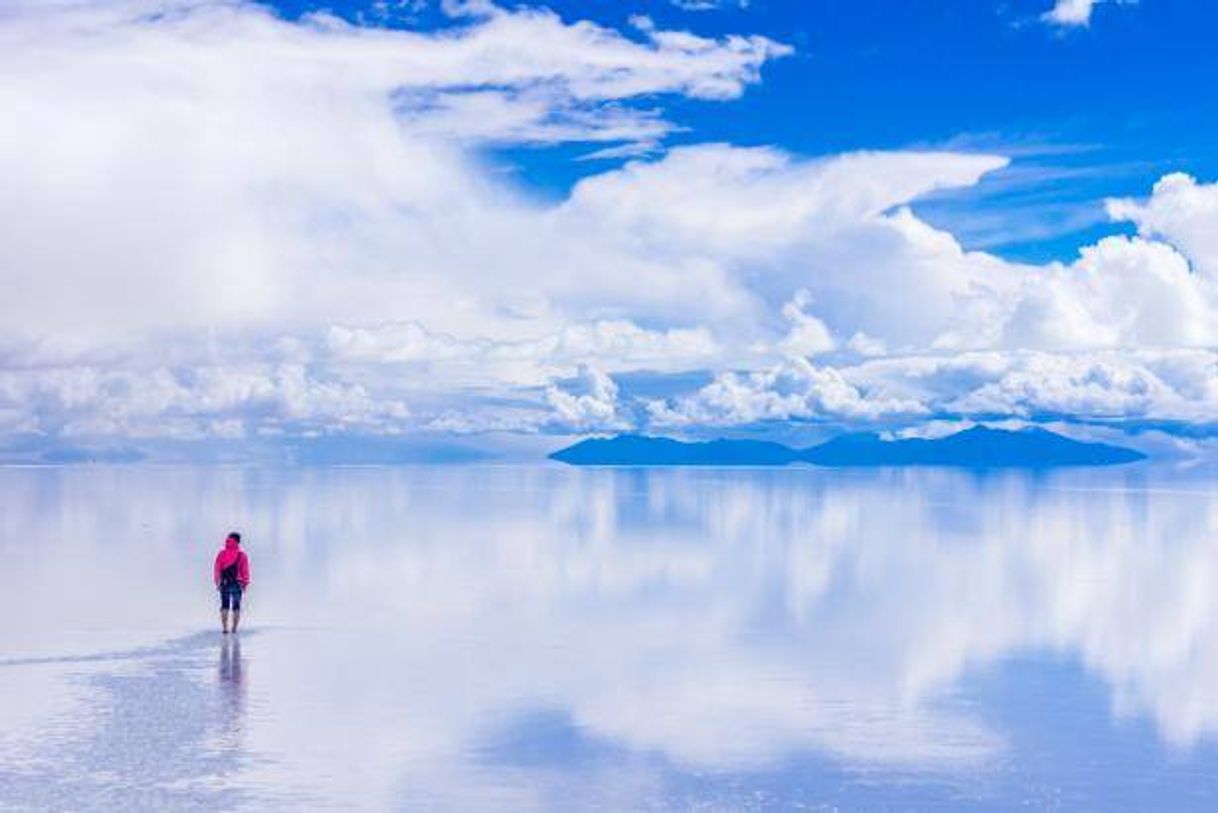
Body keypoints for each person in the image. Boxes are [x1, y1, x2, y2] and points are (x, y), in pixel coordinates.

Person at [213, 532, 251, 634]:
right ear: (238, 542)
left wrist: (217, 582)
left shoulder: (221, 554)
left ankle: (225, 628)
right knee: (236, 606)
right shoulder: (242, 555)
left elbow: (217, 569)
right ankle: (234, 628)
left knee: (224, 605)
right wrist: (245, 584)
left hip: (224, 583)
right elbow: (245, 571)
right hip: (237, 583)